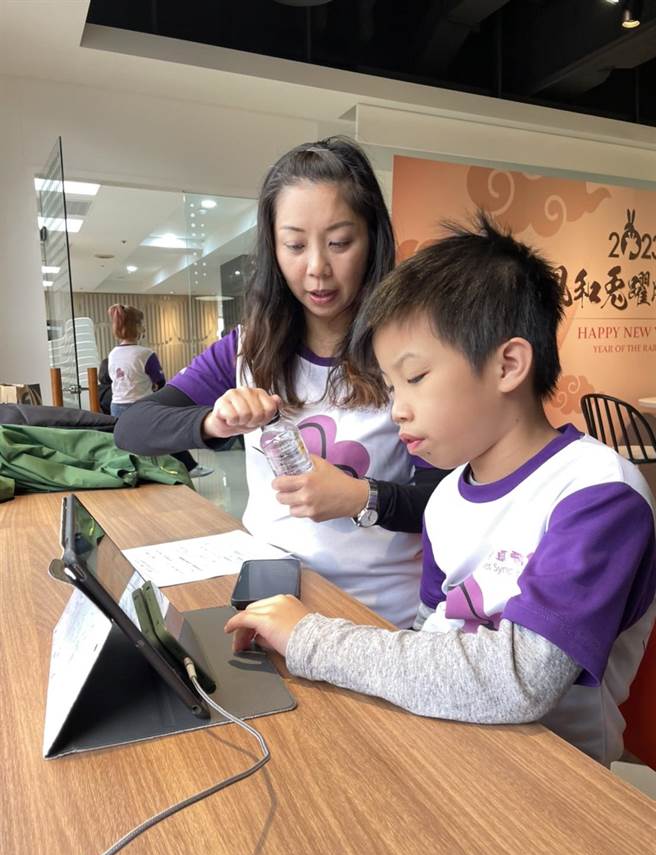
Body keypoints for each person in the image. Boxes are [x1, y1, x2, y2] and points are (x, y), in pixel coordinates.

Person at [224, 213, 656, 766]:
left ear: (508, 365)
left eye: (417, 378)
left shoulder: (597, 494)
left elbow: (519, 679)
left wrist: (312, 639)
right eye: (390, 385)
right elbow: (434, 635)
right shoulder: (448, 498)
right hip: (453, 751)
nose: (396, 407)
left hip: (558, 781)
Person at [115, 137, 447, 627]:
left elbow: (449, 502)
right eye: (294, 244)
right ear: (273, 247)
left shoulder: (410, 355)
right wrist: (213, 421)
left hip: (377, 617)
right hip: (270, 598)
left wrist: (361, 498)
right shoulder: (249, 347)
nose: (316, 268)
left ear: (372, 240)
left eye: (339, 243)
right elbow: (134, 428)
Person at [106, 305, 213, 478]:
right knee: (168, 436)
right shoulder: (145, 354)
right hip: (140, 405)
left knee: (129, 445)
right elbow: (159, 381)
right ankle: (190, 467)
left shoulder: (112, 354)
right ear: (137, 326)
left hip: (117, 405)